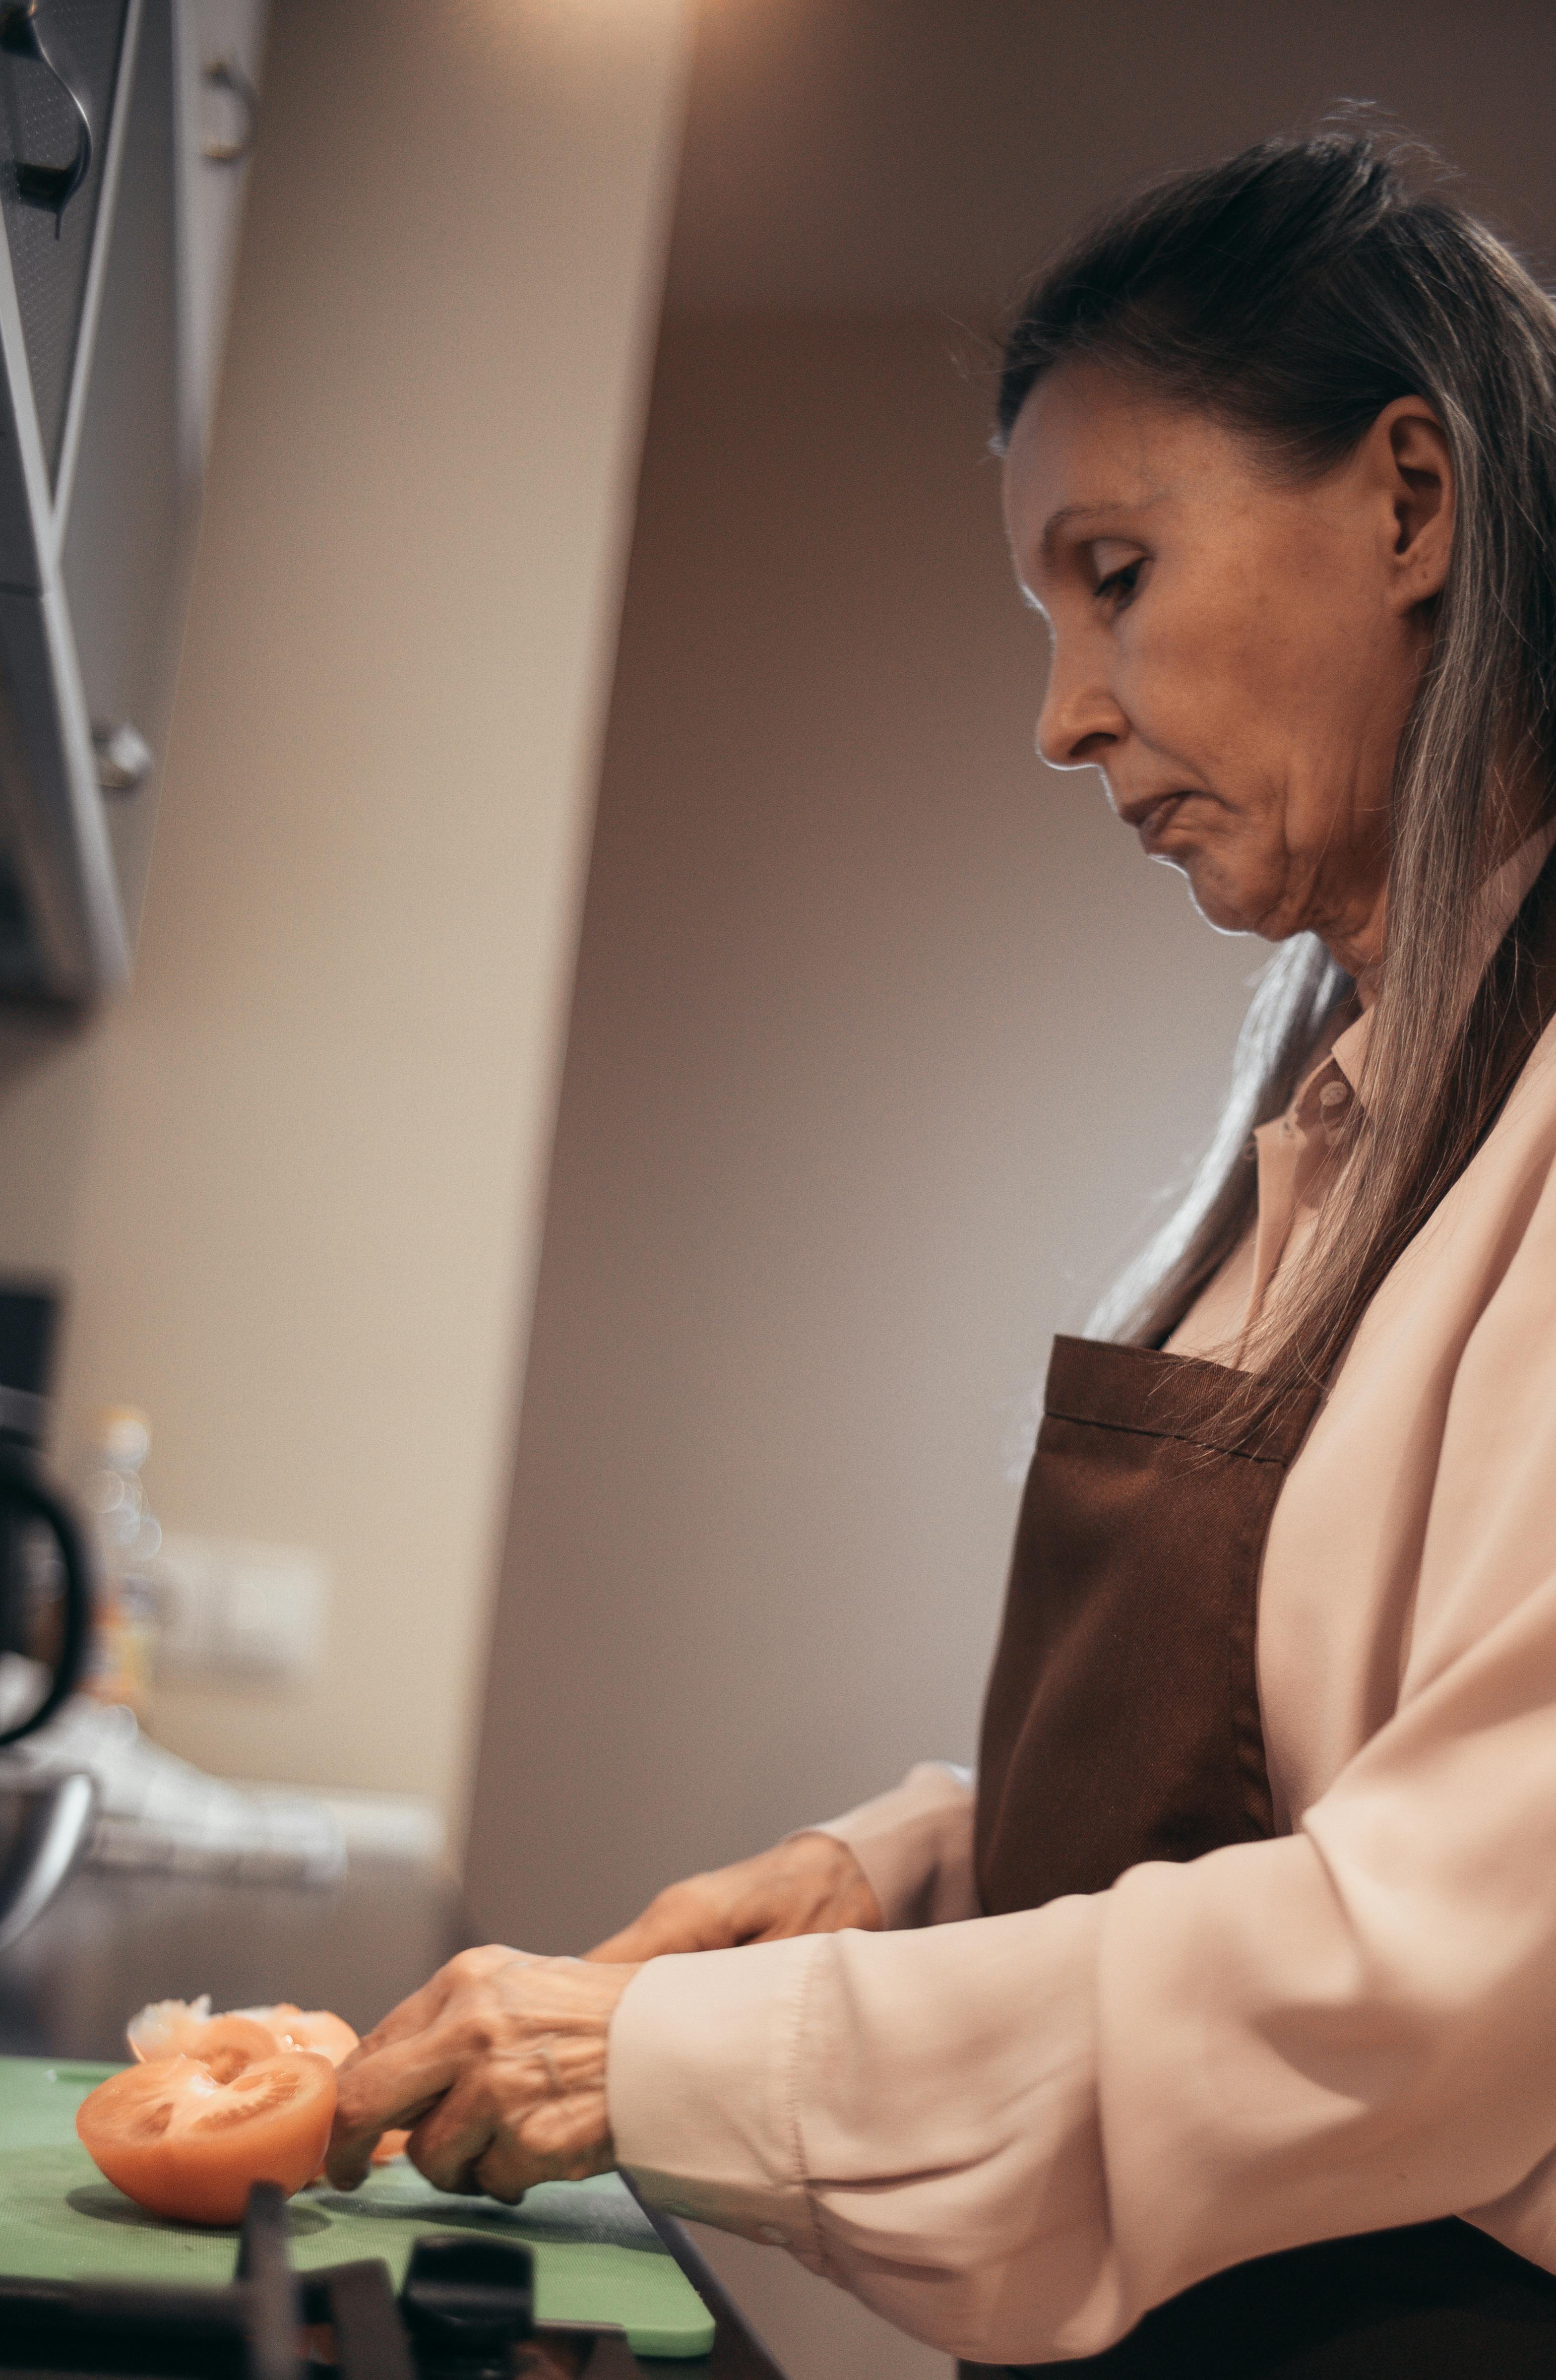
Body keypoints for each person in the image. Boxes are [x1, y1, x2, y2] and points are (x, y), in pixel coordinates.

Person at [325, 130, 1556, 2373]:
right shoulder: (1350, 1099)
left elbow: (1450, 1967)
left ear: (1408, 503)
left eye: (1115, 575)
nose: (1061, 715)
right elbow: (1284, 1785)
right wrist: (904, 1877)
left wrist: (672, 2061)